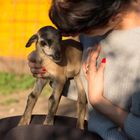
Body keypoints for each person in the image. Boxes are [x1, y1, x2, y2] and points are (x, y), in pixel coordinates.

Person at [28, 0, 140, 139]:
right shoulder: (94, 29)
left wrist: (98, 101)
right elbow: (83, 83)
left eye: (79, 30)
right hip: (91, 132)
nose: (72, 35)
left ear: (114, 18)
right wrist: (49, 63)